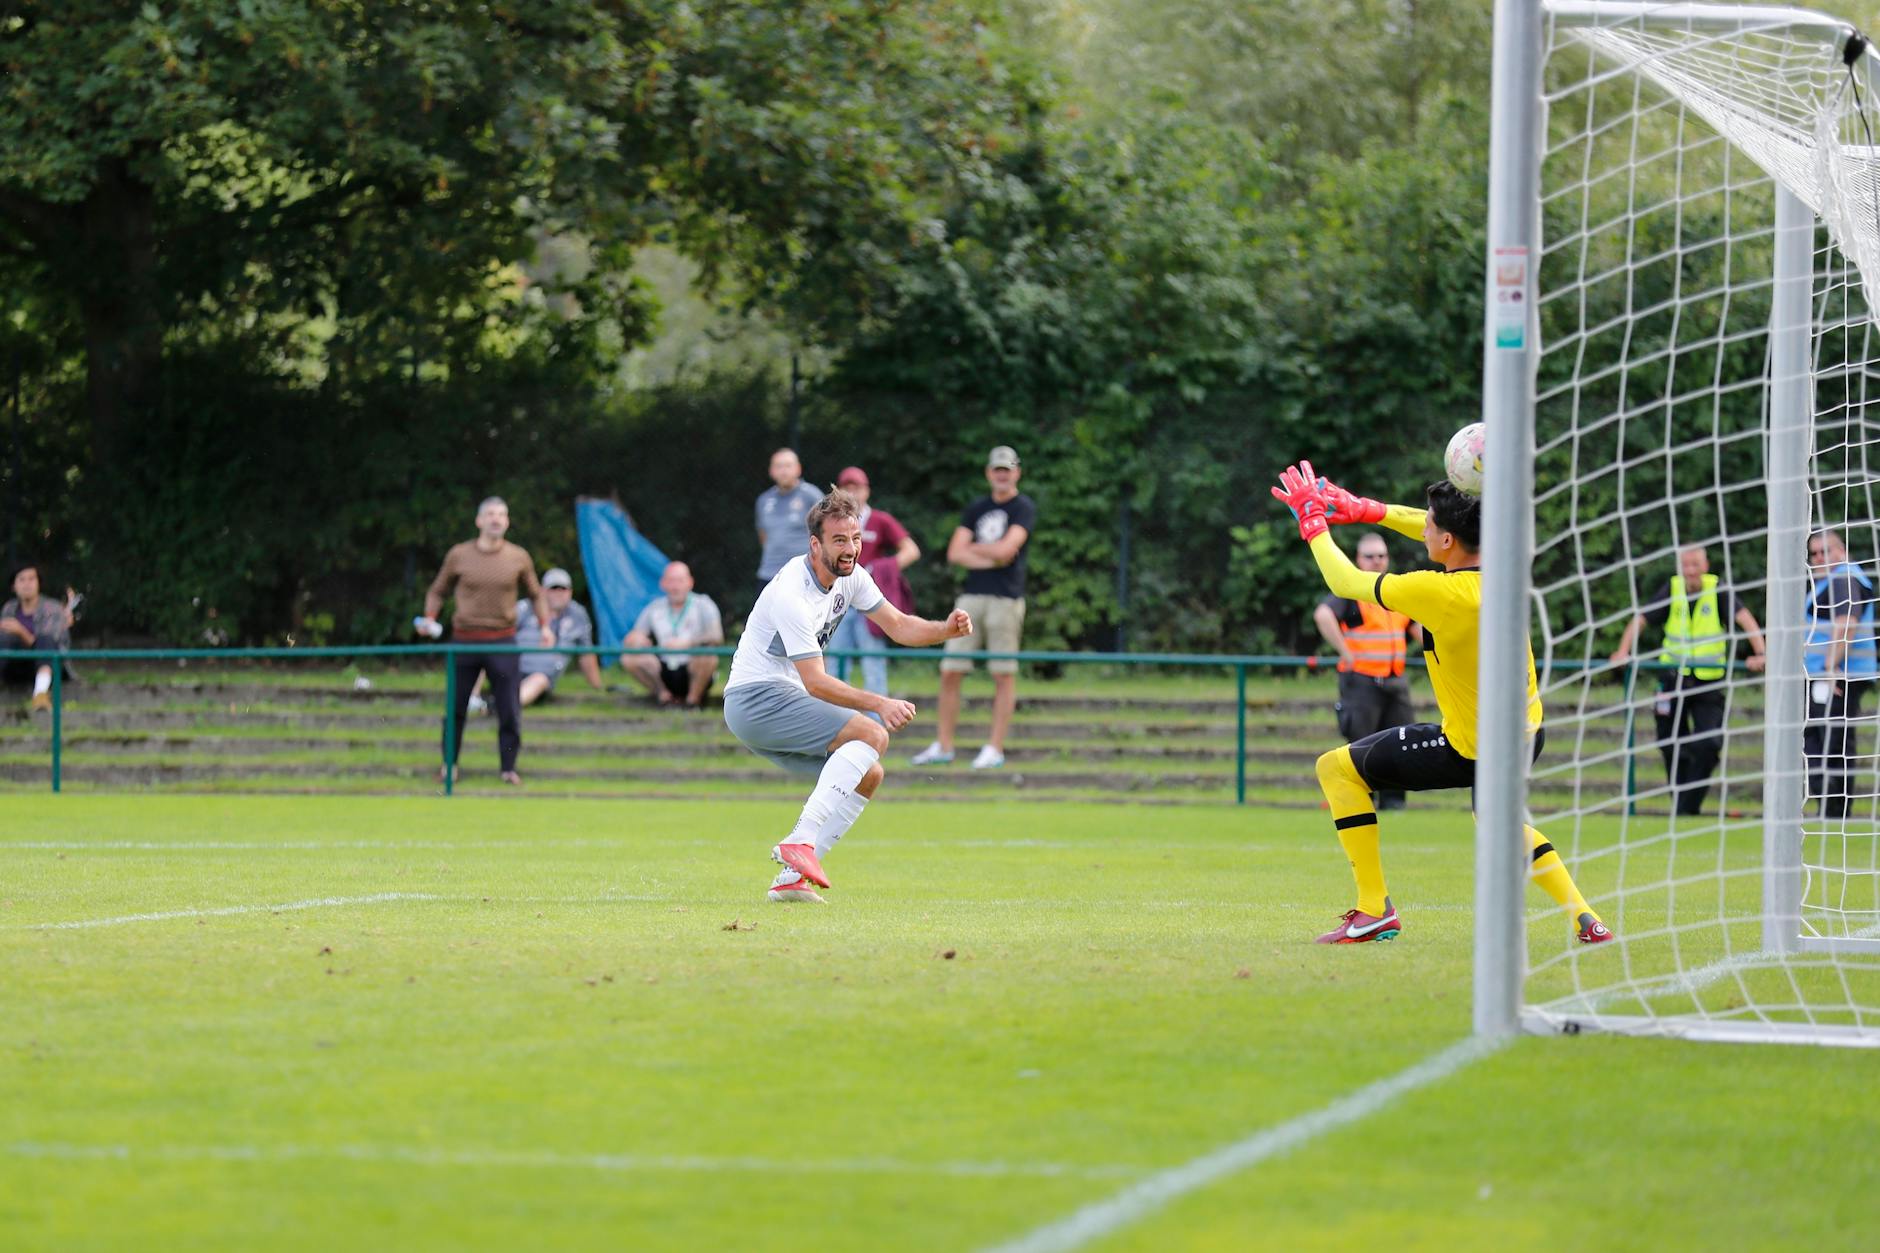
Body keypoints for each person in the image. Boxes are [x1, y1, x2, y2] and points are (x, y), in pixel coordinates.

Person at [1270, 462, 1612, 945]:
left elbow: (1346, 583)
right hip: (1525, 731)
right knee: (1501, 826)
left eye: (1431, 523)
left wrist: (1313, 522)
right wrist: (1363, 510)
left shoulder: (1440, 591)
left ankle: (1374, 910)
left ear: (1449, 540)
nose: (1422, 527)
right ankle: (1588, 920)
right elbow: (1425, 524)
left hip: (1472, 747)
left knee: (1337, 770)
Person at [723, 488, 973, 903]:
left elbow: (898, 625)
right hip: (755, 699)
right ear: (815, 544)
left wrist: (944, 630)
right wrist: (881, 703)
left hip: (776, 700)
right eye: (839, 540)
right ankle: (800, 839)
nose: (851, 549)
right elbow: (816, 683)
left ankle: (791, 878)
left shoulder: (852, 576)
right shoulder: (791, 591)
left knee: (868, 773)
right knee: (873, 736)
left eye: (855, 539)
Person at [1608, 544, 1767, 816]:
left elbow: (1746, 620)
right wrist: (1623, 651)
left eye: (1695, 565)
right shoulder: (1672, 589)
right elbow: (1641, 619)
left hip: (1708, 682)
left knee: (1708, 744)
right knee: (1669, 744)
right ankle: (1683, 807)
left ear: (1705, 567)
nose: (1690, 571)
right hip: (1672, 680)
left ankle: (1686, 807)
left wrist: (1761, 653)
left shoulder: (1717, 590)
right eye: (1686, 565)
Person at [911, 445, 1035, 770]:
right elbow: (956, 553)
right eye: (997, 469)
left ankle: (995, 748)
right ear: (989, 473)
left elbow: (1009, 549)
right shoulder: (976, 508)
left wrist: (977, 551)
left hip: (1006, 600)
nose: (1002, 475)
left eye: (1007, 469)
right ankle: (944, 745)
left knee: (1002, 674)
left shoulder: (1024, 508)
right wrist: (992, 553)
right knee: (951, 669)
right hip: (971, 598)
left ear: (1016, 472)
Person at [419, 496, 554, 786]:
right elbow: (437, 590)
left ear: (507, 521)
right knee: (455, 708)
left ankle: (508, 768)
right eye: (491, 514)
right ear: (479, 520)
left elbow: (536, 595)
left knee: (509, 708)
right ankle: (449, 766)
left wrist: (545, 626)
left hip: (503, 641)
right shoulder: (459, 554)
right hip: (464, 641)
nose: (496, 519)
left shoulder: (519, 556)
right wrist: (430, 617)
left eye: (502, 515)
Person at [1312, 532, 1419, 810]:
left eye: (1382, 556)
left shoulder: (1393, 591)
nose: (1377, 561)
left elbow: (1416, 627)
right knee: (1361, 746)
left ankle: (1394, 803)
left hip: (1395, 681)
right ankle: (1360, 802)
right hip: (1362, 681)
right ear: (1359, 559)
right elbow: (1323, 615)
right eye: (1370, 556)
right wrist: (1345, 652)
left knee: (1401, 742)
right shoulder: (1352, 590)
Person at [825, 465, 920, 696]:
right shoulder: (830, 522)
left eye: (856, 488)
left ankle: (876, 723)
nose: (852, 494)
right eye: (846, 488)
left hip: (869, 603)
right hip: (838, 600)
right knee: (835, 663)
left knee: (873, 661)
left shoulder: (879, 520)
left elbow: (911, 550)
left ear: (866, 491)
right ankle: (837, 722)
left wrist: (881, 569)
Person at [1802, 529, 1876, 820]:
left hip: (1840, 677)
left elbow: (1846, 623)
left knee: (1832, 743)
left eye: (1826, 551)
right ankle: (1828, 810)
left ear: (1841, 551)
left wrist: (1831, 667)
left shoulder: (1844, 578)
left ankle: (1834, 813)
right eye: (1815, 553)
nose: (1820, 558)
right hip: (1823, 675)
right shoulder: (1825, 584)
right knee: (1816, 740)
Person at [623, 561, 725, 708]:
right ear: (663, 584)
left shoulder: (703, 604)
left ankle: (692, 702)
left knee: (708, 655)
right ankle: (664, 698)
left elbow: (716, 637)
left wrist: (687, 644)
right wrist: (636, 640)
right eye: (671, 581)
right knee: (630, 658)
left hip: (692, 666)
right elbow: (634, 637)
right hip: (664, 667)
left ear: (690, 583)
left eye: (680, 581)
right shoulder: (654, 608)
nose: (675, 586)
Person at [513, 567, 605, 708]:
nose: (558, 593)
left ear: (570, 592)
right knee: (483, 646)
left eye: (563, 589)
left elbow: (586, 653)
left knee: (539, 679)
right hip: (510, 668)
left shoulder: (578, 614)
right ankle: (473, 700)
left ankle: (503, 707)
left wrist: (598, 689)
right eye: (553, 588)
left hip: (541, 678)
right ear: (542, 591)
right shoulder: (524, 608)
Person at [754, 448, 824, 607]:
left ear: (798, 468)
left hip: (803, 575)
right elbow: (763, 536)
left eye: (788, 465)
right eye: (778, 466)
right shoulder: (764, 500)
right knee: (765, 628)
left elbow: (824, 534)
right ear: (771, 471)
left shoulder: (812, 495)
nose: (783, 470)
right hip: (769, 573)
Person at [1, 564, 76, 713]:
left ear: (38, 584)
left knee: (45, 640)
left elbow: (50, 645)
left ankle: (40, 695)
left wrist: (21, 631)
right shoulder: (9, 608)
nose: (27, 584)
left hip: (50, 669)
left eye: (31, 579)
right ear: (13, 586)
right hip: (16, 667)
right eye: (21, 580)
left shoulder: (52, 608)